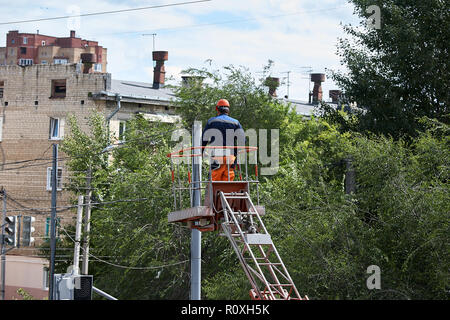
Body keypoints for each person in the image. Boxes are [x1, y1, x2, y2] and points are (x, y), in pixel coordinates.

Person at [202, 99, 244, 181]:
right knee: (228, 183)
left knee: (215, 184)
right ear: (228, 110)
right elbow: (242, 141)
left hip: (217, 157)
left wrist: (201, 153)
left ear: (217, 109)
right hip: (231, 157)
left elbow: (204, 140)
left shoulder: (212, 122)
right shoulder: (235, 123)